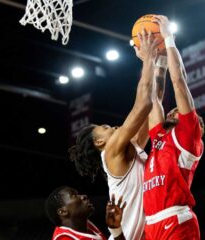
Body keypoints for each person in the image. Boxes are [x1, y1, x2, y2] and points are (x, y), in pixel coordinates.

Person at [68, 29, 160, 240]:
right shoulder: (110, 152)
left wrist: (158, 63)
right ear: (100, 141)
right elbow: (143, 104)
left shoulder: (130, 148)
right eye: (106, 127)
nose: (113, 127)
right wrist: (147, 59)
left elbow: (152, 104)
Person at [142, 15, 205, 240]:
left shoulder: (188, 137)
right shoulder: (160, 137)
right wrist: (154, 62)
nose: (171, 111)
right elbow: (153, 99)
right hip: (151, 223)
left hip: (176, 220)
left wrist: (168, 39)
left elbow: (179, 82)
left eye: (176, 111)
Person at [45, 186, 126, 240]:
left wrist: (115, 229)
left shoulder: (86, 225)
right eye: (74, 195)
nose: (83, 196)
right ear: (63, 211)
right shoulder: (65, 238)